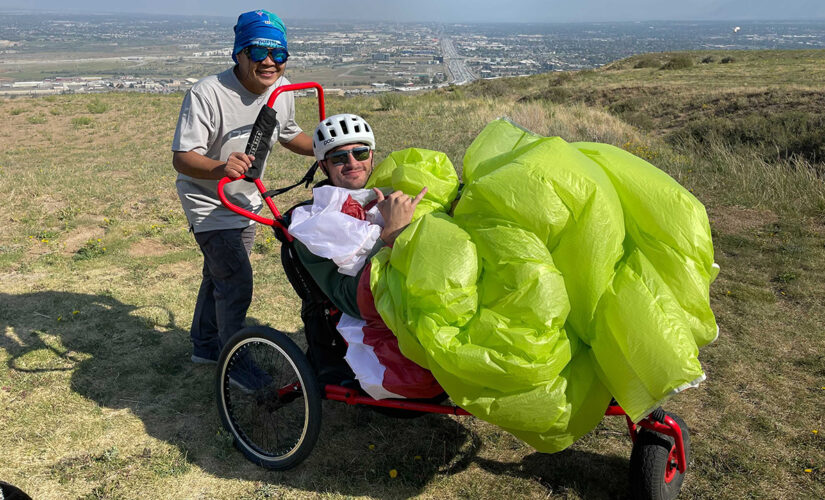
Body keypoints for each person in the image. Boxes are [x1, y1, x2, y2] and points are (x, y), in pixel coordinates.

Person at [171, 9, 314, 366]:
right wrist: (221, 167)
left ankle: (204, 346)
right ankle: (234, 362)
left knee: (218, 274)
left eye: (278, 54)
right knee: (235, 281)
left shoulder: (282, 90)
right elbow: (183, 157)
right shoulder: (207, 93)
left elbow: (289, 133)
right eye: (258, 52)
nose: (270, 62)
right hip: (208, 201)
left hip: (246, 202)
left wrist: (330, 147)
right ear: (238, 53)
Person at [286, 113, 427, 385]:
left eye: (360, 153)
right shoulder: (312, 224)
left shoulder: (394, 192)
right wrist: (391, 235)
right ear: (323, 166)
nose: (352, 163)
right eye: (339, 158)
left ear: (372, 156)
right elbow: (350, 301)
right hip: (379, 310)